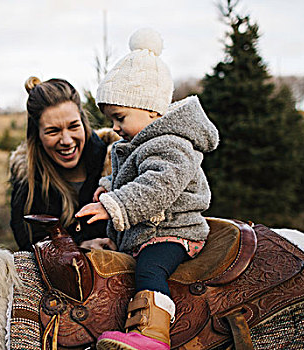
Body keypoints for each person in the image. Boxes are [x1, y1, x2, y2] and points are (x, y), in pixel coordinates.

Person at [76, 28, 219, 350]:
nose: (114, 127)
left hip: (174, 231)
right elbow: (132, 178)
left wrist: (115, 206)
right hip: (147, 229)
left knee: (150, 269)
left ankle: (152, 335)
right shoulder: (139, 145)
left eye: (120, 117)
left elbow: (159, 186)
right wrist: (107, 188)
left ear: (152, 111)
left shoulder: (171, 144)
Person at [10, 76, 117, 251]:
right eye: (53, 131)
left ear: (83, 123)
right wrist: (79, 248)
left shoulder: (117, 165)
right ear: (37, 136)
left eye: (73, 126)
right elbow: (29, 246)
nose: (66, 140)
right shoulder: (27, 183)